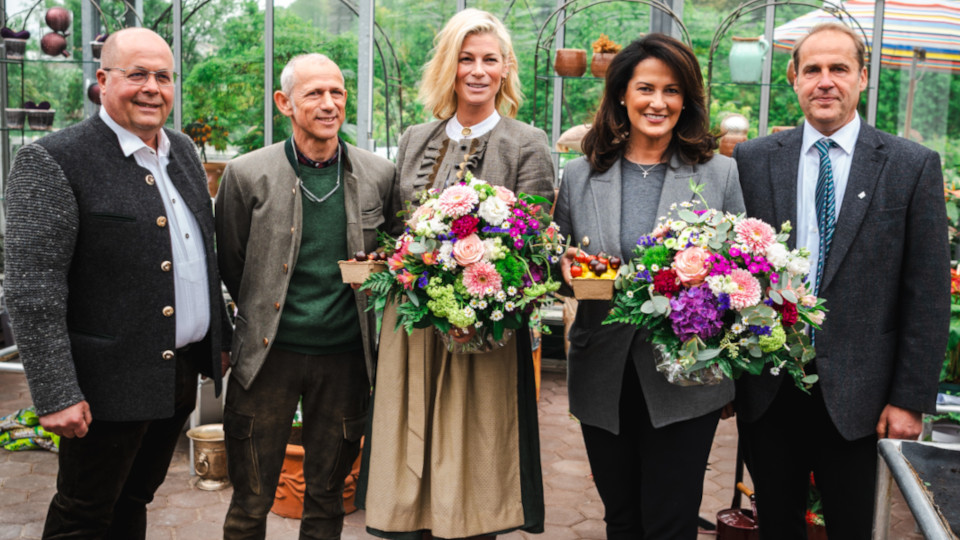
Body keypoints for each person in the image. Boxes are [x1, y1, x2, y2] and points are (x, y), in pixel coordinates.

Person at [3, 27, 230, 538]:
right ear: (103, 81)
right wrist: (56, 392)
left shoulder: (183, 151)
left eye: (164, 77)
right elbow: (32, 289)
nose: (153, 87)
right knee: (84, 512)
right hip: (104, 382)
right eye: (138, 74)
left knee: (134, 498)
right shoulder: (55, 160)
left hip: (176, 374)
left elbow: (200, 257)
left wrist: (220, 342)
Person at [733, 22, 950, 540]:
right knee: (776, 527)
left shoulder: (911, 165)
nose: (825, 81)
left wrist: (910, 398)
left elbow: (927, 292)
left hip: (864, 398)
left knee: (853, 527)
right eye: (812, 69)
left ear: (863, 77)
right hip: (771, 389)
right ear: (793, 79)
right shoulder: (753, 160)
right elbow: (733, 270)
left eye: (839, 69)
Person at [358, 9, 555, 539]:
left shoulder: (527, 141)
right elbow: (400, 231)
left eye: (489, 59)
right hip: (414, 327)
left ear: (505, 68)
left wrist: (480, 301)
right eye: (465, 58)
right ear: (448, 66)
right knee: (410, 445)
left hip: (485, 327)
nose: (477, 70)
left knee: (475, 451)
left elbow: (535, 245)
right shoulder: (415, 138)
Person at [554, 34, 745, 540]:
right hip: (604, 373)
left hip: (685, 378)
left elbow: (743, 275)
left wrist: (727, 359)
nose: (658, 102)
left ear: (687, 101)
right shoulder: (579, 175)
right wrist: (567, 267)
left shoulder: (720, 174)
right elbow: (563, 270)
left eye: (672, 90)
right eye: (645, 88)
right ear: (622, 94)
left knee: (671, 521)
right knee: (621, 517)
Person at [215, 53, 394, 539]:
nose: (329, 103)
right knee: (251, 499)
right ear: (285, 103)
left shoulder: (378, 174)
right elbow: (231, 262)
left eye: (336, 92)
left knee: (327, 497)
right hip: (267, 360)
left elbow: (394, 258)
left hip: (345, 359)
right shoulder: (247, 174)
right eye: (314, 93)